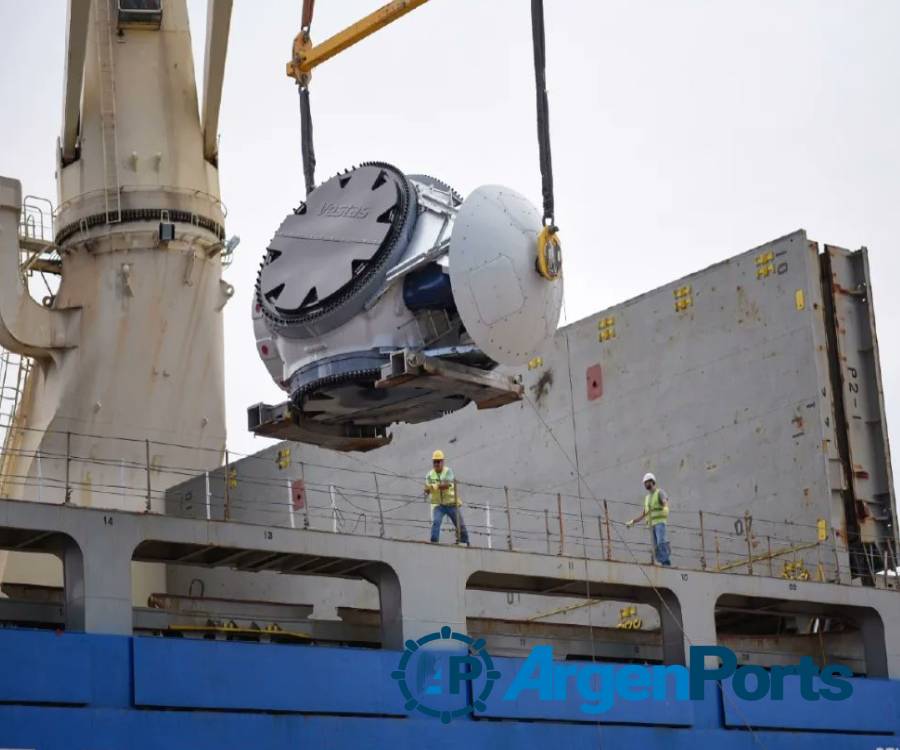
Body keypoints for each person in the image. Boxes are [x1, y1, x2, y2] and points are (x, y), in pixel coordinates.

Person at [424, 450, 469, 545]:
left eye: (438, 461)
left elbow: (447, 484)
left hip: (451, 503)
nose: (436, 463)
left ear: (442, 461)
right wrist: (427, 490)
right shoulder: (429, 475)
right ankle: (434, 542)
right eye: (435, 461)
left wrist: (435, 486)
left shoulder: (448, 471)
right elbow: (427, 487)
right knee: (436, 522)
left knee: (460, 524)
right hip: (439, 505)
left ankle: (465, 542)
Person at [626, 472, 671, 566]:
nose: (646, 484)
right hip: (651, 525)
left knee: (661, 543)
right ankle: (662, 562)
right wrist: (633, 521)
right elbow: (644, 513)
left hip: (659, 523)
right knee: (655, 546)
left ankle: (666, 563)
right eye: (645, 483)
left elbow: (664, 502)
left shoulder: (659, 492)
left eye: (648, 482)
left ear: (653, 482)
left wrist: (666, 508)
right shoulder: (647, 498)